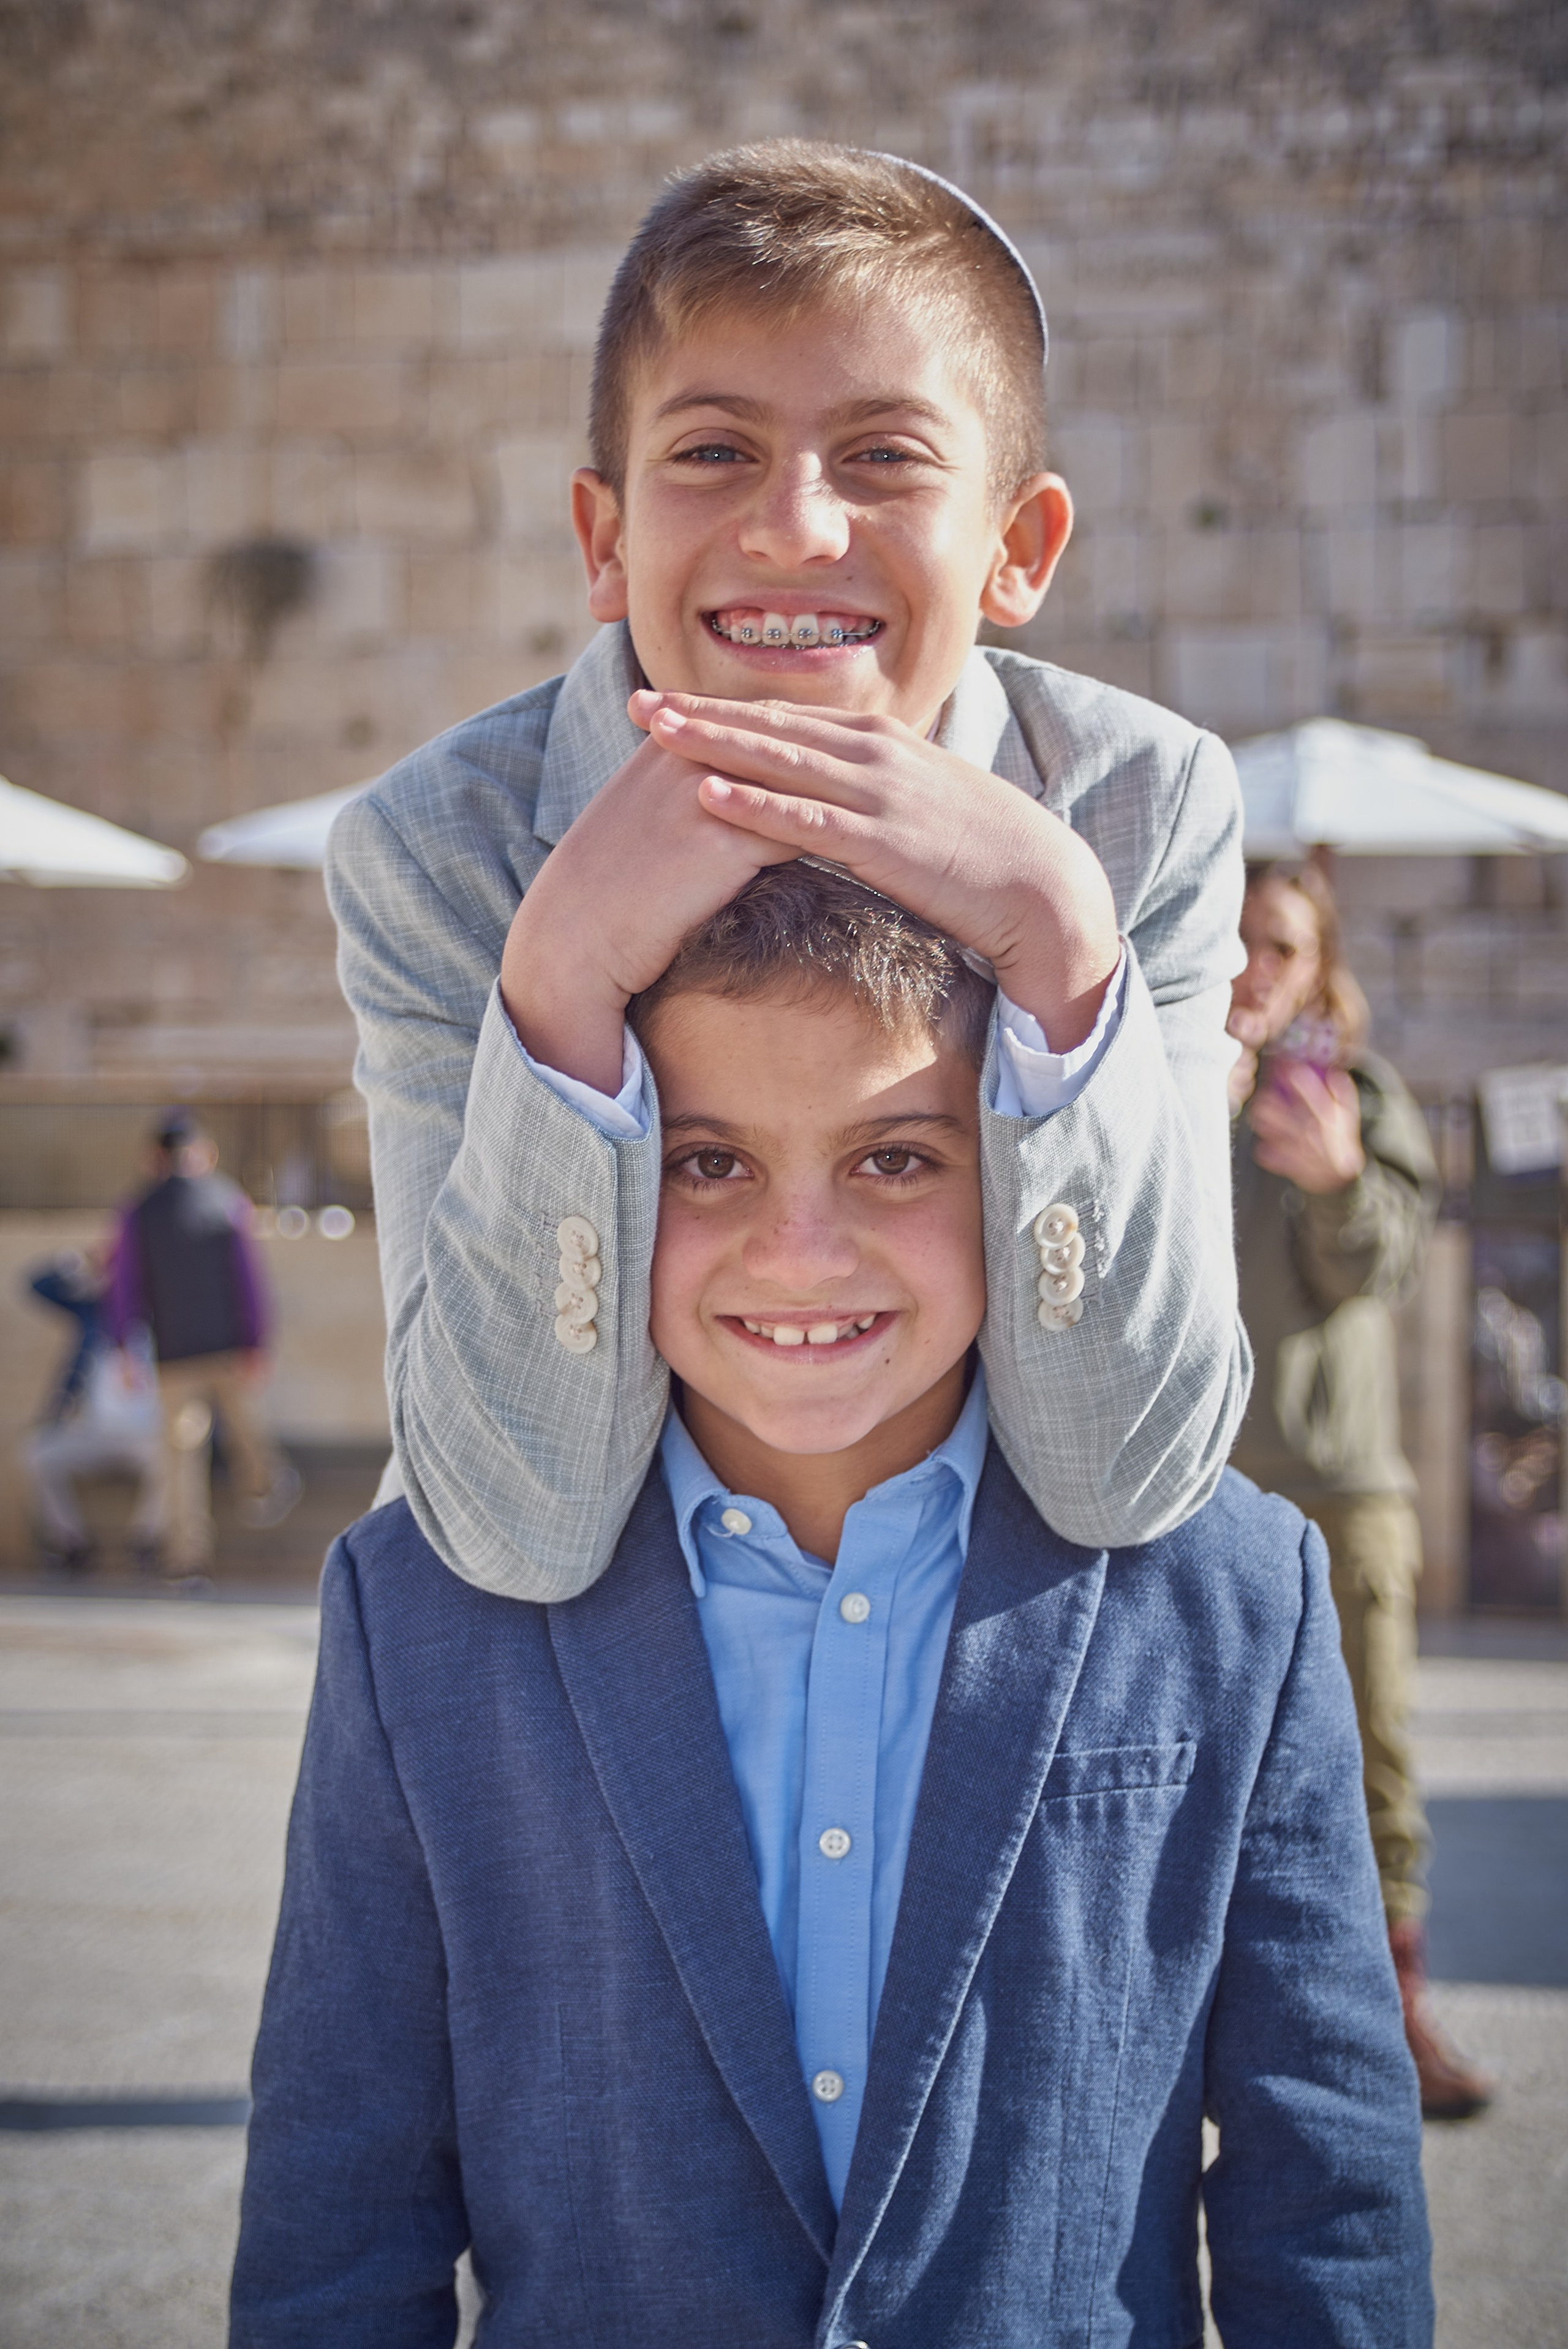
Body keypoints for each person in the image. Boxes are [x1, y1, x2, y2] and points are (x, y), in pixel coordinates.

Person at [233, 865, 1431, 2345]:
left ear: (1009, 1165)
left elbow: (1326, 2202)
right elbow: (336, 2214)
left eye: (895, 1158)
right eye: (708, 1160)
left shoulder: (1230, 1590)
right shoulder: (419, 1606)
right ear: (605, 1174)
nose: (799, 1250)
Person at [325, 140, 1251, 1607]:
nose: (793, 525)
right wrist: (555, 987)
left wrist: (1066, 946)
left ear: (1016, 548)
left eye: (883, 456)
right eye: (711, 452)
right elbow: (515, 1524)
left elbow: (1123, 1469)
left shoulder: (1139, 809)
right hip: (563, 1732)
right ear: (604, 537)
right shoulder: (443, 848)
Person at [1227, 857, 1493, 2121]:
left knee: (1371, 1757)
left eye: (1279, 945)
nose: (1251, 966)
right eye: (1232, 939)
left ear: (1317, 965)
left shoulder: (1359, 1094)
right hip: (1191, 1488)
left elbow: (1381, 1271)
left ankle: (1398, 2018)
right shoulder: (1160, 1081)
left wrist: (1333, 1178)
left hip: (1340, 1486)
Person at [107, 1112, 300, 1578]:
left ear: (154, 1156)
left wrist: (125, 1349)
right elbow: (249, 1281)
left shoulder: (138, 1211)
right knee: (249, 1432)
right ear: (201, 1152)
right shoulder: (227, 1201)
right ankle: (265, 1490)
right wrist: (257, 1341)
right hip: (228, 1349)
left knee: (181, 1458)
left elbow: (125, 1286)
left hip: (174, 1354)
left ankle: (188, 1558)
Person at [21, 1243, 162, 1573]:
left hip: (147, 1435)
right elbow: (37, 1286)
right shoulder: (94, 1315)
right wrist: (79, 1262)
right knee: (36, 1454)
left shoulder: (162, 1317)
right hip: (94, 1431)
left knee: (177, 1458)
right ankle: (72, 1544)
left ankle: (146, 1542)